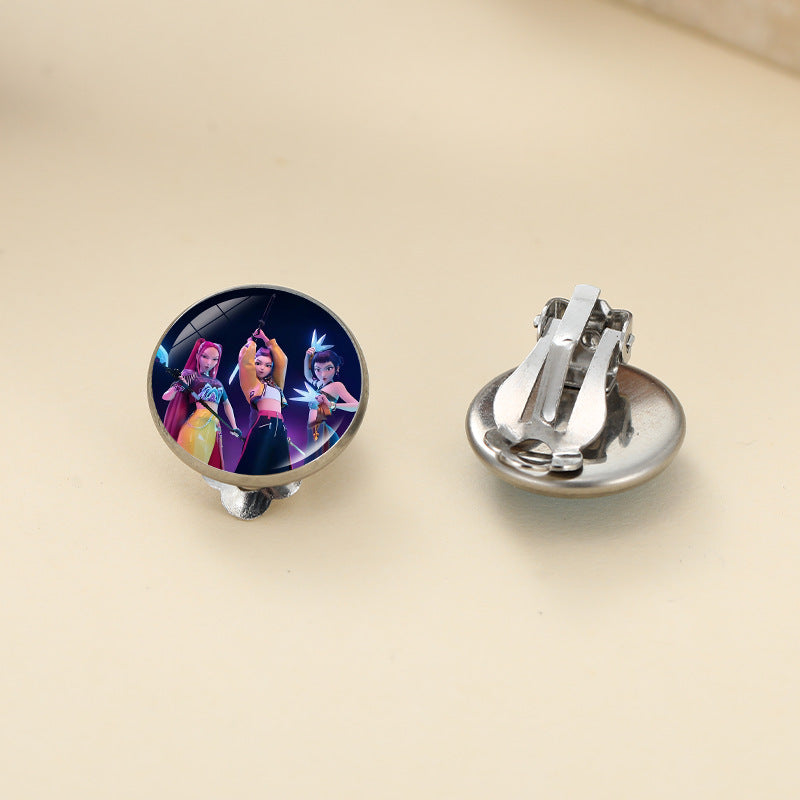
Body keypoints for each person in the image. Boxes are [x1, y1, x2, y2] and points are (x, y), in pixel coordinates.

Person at [162, 339, 239, 469]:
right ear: (197, 356)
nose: (209, 363)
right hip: (196, 426)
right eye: (205, 357)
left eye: (214, 359)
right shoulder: (191, 376)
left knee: (206, 466)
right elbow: (166, 397)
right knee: (191, 466)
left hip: (213, 428)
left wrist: (234, 426)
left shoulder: (218, 383)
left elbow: (227, 404)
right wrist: (177, 386)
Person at [234, 328, 292, 475]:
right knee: (256, 463)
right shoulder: (252, 383)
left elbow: (282, 361)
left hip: (280, 425)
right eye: (258, 363)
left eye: (268, 365)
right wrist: (251, 343)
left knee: (281, 465)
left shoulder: (276, 384)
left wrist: (265, 339)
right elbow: (245, 363)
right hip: (263, 424)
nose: (262, 368)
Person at [302, 346, 359, 461]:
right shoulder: (319, 384)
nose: (323, 374)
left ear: (337, 368)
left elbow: (356, 405)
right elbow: (308, 376)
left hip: (321, 432)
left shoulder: (336, 386)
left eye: (328, 368)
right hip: (313, 431)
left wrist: (332, 405)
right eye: (318, 369)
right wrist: (307, 357)